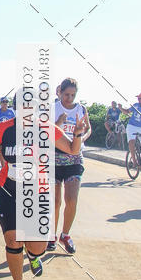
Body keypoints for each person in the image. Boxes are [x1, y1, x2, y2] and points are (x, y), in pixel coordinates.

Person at [0, 103, 85, 280]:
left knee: (38, 246)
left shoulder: (45, 128)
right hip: (7, 190)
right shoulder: (4, 129)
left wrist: (77, 134)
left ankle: (33, 257)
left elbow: (72, 150)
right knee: (13, 239)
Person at [50, 79, 91, 254]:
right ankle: (51, 235)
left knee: (72, 199)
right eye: (66, 94)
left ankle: (65, 234)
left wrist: (80, 137)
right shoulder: (52, 108)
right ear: (59, 92)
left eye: (73, 95)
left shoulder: (80, 109)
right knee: (55, 202)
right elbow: (45, 131)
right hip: (54, 158)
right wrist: (59, 122)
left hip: (74, 158)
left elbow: (88, 129)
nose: (69, 98)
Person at [121, 92, 141, 166]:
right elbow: (126, 111)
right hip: (132, 126)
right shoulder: (135, 105)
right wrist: (120, 107)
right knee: (131, 142)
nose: (139, 99)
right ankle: (134, 161)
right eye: (138, 98)